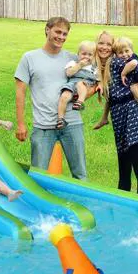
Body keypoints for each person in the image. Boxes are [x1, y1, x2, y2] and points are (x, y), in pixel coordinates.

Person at [14, 16, 89, 179]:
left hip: (72, 123)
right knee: (38, 176)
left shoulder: (72, 59)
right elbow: (20, 93)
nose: (61, 37)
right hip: (43, 126)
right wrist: (20, 124)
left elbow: (90, 80)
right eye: (58, 32)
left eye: (65, 34)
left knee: (80, 175)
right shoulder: (29, 58)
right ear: (47, 30)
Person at [93, 31, 138, 195]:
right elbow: (110, 98)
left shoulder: (119, 62)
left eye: (108, 44)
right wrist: (104, 117)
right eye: (101, 43)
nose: (104, 47)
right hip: (119, 117)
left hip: (133, 115)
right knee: (124, 168)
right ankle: (123, 205)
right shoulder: (101, 67)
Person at [95, 36, 138, 129]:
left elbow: (134, 64)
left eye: (127, 51)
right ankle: (104, 118)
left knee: (136, 91)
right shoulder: (121, 61)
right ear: (116, 54)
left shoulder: (132, 59)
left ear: (132, 50)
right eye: (120, 53)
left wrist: (123, 74)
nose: (124, 54)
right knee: (110, 97)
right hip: (133, 83)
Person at [56, 40, 99, 129]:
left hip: (86, 84)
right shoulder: (73, 63)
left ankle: (80, 102)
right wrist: (79, 65)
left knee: (80, 84)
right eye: (83, 54)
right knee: (64, 96)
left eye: (90, 55)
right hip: (72, 84)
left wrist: (99, 84)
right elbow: (68, 73)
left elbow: (99, 79)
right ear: (78, 54)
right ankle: (60, 119)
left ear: (94, 57)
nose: (86, 57)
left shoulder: (94, 67)